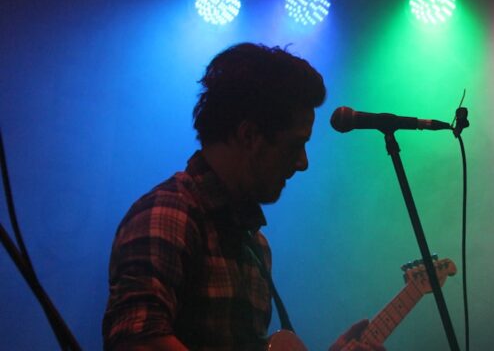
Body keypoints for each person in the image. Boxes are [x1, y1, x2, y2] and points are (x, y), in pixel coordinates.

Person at [102, 43, 385, 351]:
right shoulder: (168, 215)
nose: (303, 163)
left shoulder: (255, 246)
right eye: (295, 145)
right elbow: (138, 342)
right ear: (249, 136)